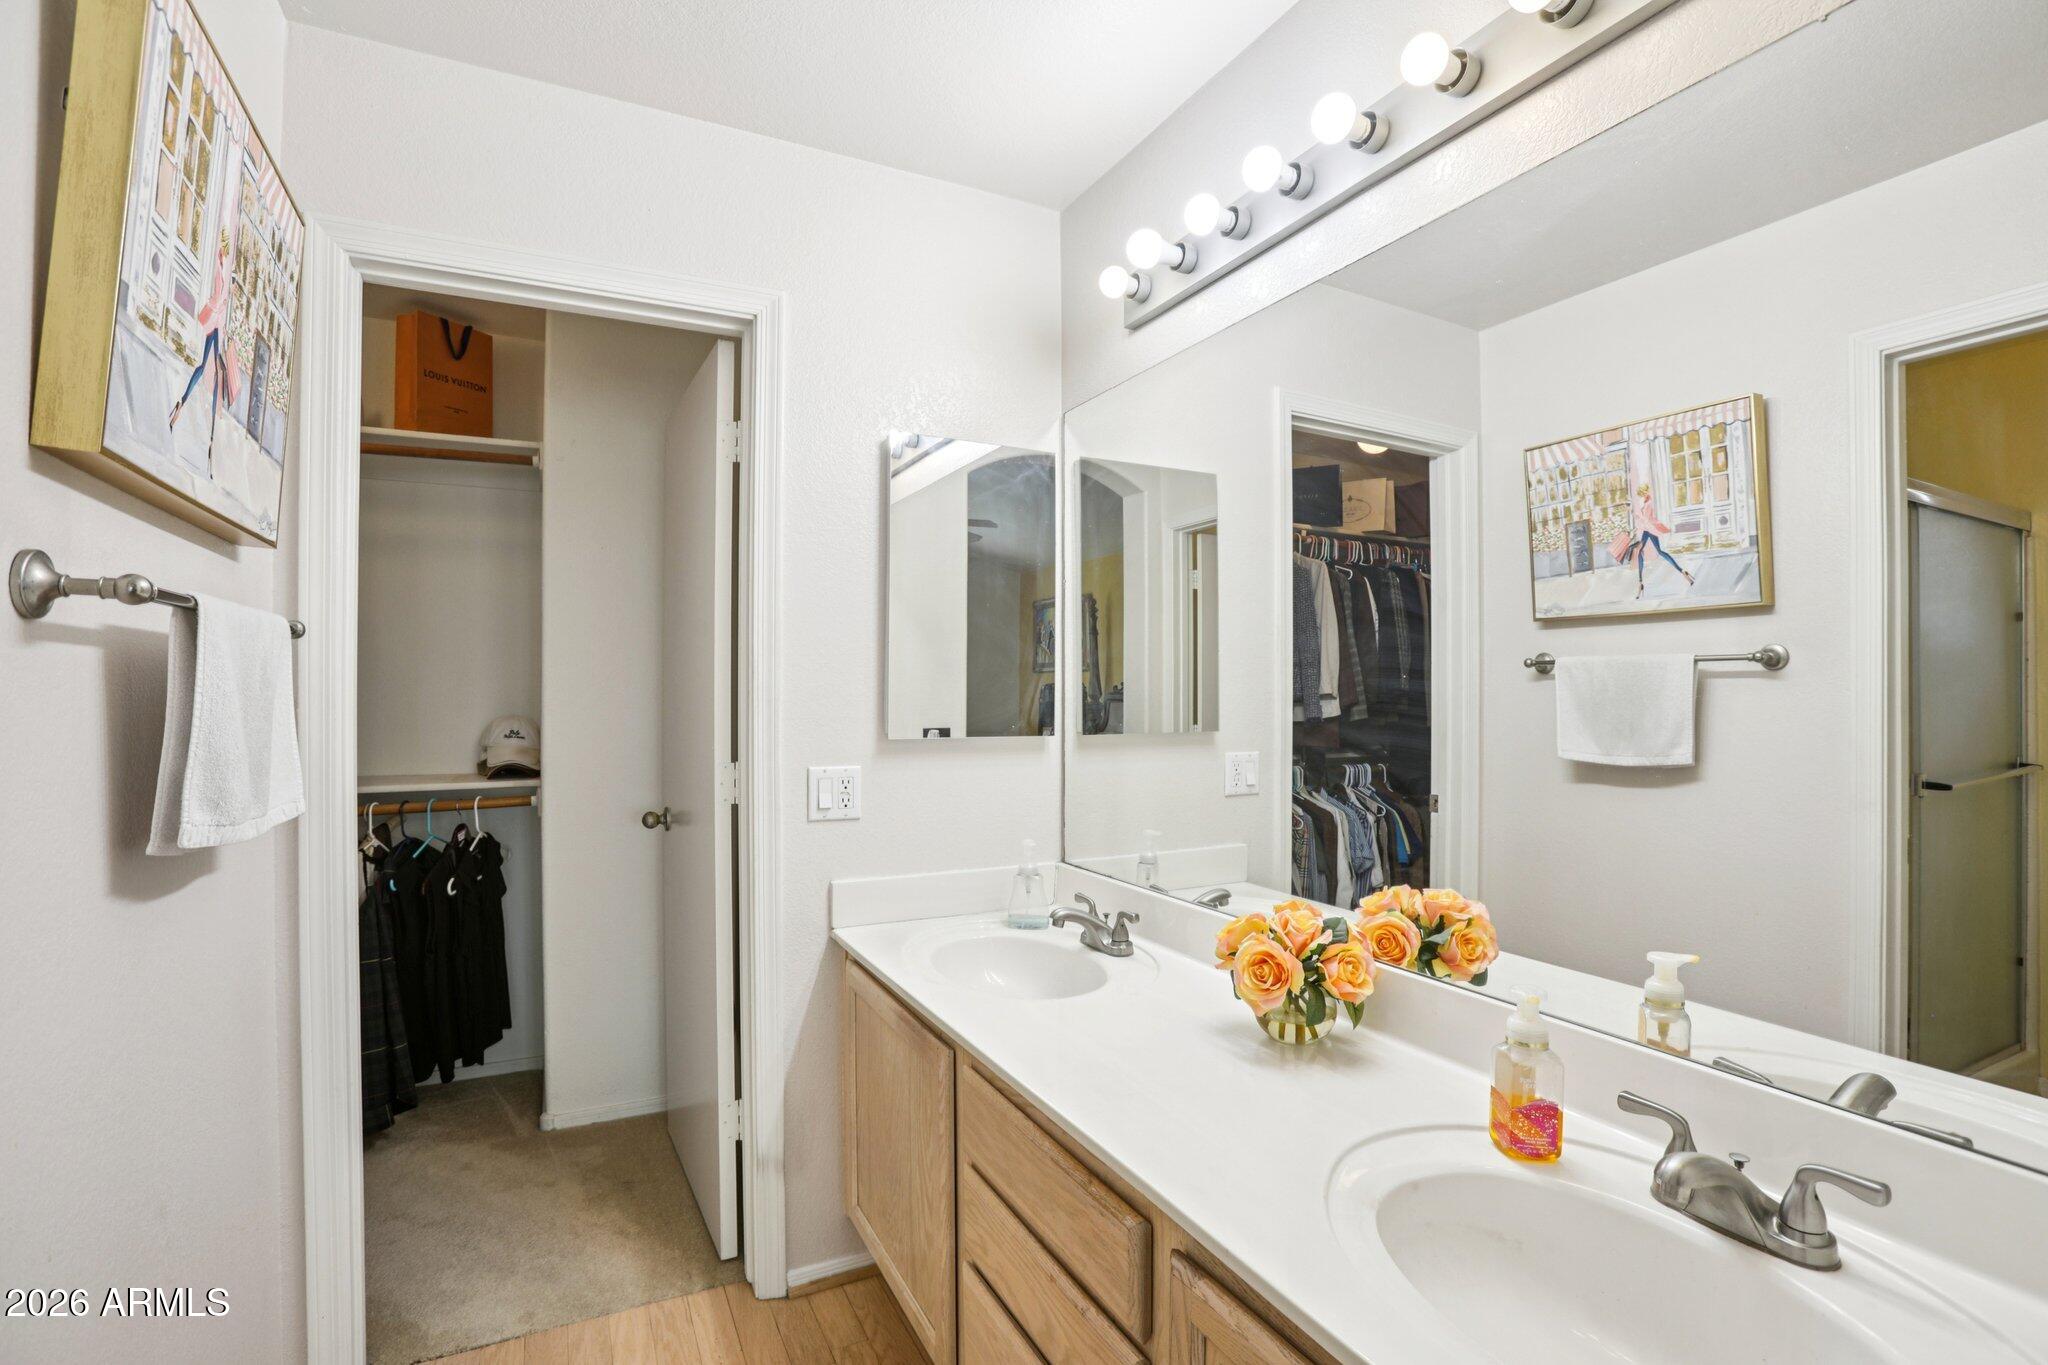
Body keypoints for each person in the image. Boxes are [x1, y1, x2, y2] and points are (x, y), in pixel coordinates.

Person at [167, 234, 241, 462]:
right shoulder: (220, 271)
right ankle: (210, 437)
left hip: (216, 325)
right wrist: (222, 303)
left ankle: (181, 403)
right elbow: (217, 297)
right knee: (217, 372)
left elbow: (219, 298)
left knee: (205, 367)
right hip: (214, 324)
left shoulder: (222, 271)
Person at [1627, 483, 1694, 599]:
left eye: (1641, 494)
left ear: (1645, 492)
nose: (1641, 496)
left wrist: (1634, 513)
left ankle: (1641, 583)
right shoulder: (1647, 502)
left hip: (1649, 530)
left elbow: (1646, 520)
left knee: (1645, 552)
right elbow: (1646, 520)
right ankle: (1683, 572)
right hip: (1648, 529)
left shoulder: (1648, 504)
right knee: (1653, 551)